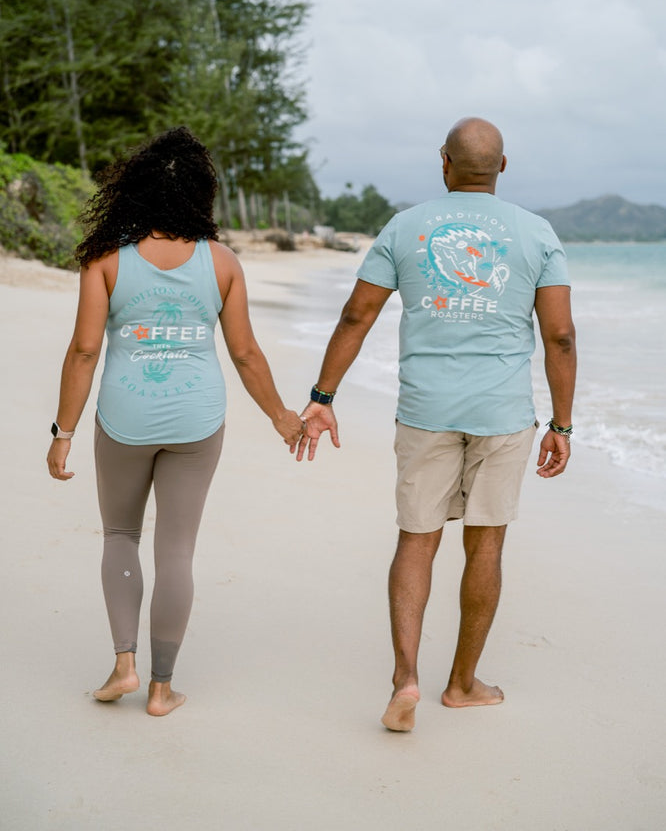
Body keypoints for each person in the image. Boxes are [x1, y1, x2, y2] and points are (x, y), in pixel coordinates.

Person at [295, 117, 576, 732]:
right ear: (502, 167)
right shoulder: (537, 233)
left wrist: (323, 395)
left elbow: (355, 314)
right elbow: (559, 335)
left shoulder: (406, 225)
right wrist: (563, 422)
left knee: (416, 540)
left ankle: (405, 678)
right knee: (487, 543)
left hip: (425, 410)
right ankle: (462, 684)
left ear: (443, 162)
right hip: (502, 414)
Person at [47, 126, 305, 717]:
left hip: (122, 417)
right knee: (177, 551)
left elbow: (85, 351)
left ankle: (124, 665)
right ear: (200, 194)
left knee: (119, 536)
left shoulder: (106, 259)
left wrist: (62, 434)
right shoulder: (222, 263)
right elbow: (245, 353)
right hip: (196, 419)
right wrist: (282, 417)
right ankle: (163, 689)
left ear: (133, 191)